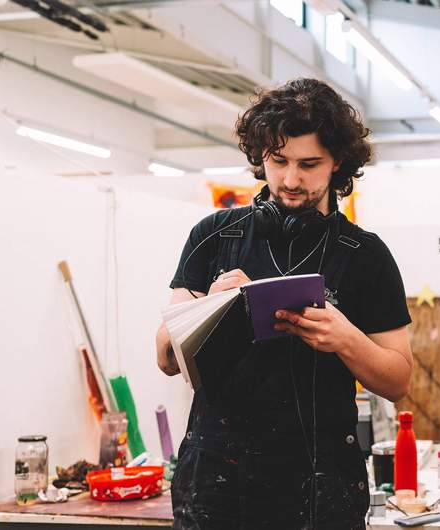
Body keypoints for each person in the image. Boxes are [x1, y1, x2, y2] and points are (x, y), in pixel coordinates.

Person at [154, 78, 413, 530]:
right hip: (217, 483)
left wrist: (346, 339)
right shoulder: (213, 237)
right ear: (261, 158)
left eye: (309, 164)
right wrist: (207, 307)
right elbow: (165, 359)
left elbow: (397, 380)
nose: (291, 180)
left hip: (321, 484)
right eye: (279, 162)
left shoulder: (366, 255)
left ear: (338, 164)